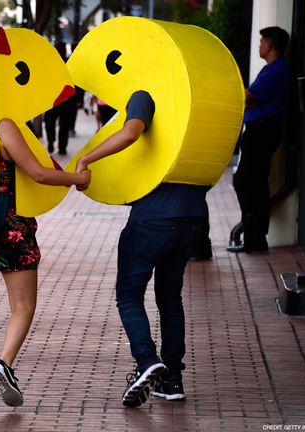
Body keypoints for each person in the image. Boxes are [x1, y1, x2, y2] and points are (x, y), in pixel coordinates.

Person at [75, 90, 208, 407]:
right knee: (170, 297)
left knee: (129, 292)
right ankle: (172, 380)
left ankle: (147, 360)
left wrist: (86, 158)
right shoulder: (191, 96)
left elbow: (130, 132)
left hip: (154, 216)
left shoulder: (145, 93)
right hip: (193, 214)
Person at [0, 118, 91, 408]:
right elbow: (38, 174)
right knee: (23, 306)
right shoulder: (3, 124)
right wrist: (78, 179)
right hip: (10, 227)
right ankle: (4, 364)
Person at [228, 26, 291, 253]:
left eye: (262, 42)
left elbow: (247, 97)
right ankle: (254, 237)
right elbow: (249, 100)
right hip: (258, 130)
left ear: (270, 45)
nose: (259, 46)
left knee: (248, 182)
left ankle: (255, 238)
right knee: (251, 182)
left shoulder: (277, 71)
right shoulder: (270, 70)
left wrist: (249, 99)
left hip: (262, 132)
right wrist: (249, 100)